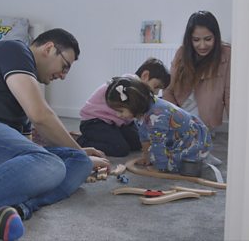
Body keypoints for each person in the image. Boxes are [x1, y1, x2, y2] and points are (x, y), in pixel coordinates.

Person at [0, 28, 110, 241]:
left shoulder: (22, 91)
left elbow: (28, 149)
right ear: (49, 48)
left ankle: (11, 209)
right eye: (65, 67)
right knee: (51, 163)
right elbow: (40, 115)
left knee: (78, 162)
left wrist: (77, 154)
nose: (63, 76)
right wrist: (77, 148)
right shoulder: (15, 49)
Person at [105, 76, 214, 173]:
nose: (118, 115)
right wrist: (146, 156)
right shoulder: (143, 109)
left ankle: (195, 160)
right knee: (155, 152)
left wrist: (161, 167)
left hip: (193, 140)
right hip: (178, 137)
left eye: (120, 111)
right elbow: (144, 136)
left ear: (133, 104)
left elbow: (158, 144)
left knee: (179, 164)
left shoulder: (156, 117)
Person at [76, 57, 170, 157]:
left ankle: (112, 136)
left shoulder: (136, 89)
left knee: (138, 142)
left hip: (116, 122)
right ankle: (82, 141)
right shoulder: (129, 86)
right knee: (120, 148)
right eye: (156, 86)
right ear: (145, 75)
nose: (156, 92)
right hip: (94, 121)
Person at [163, 11, 231, 139]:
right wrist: (175, 119)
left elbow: (229, 94)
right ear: (190, 39)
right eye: (196, 40)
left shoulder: (226, 55)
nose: (202, 45)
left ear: (216, 37)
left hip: (205, 122)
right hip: (179, 116)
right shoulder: (182, 53)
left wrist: (237, 128)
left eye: (208, 39)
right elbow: (168, 89)